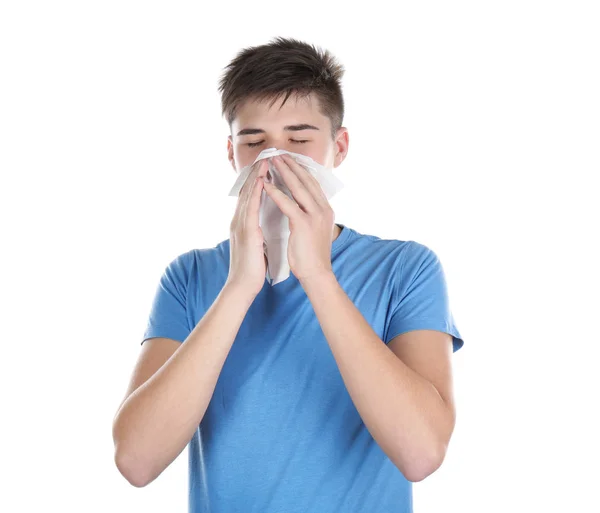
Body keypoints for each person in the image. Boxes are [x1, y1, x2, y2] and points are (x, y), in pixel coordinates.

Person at [112, 36, 465, 512]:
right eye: (254, 142)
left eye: (299, 140)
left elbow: (421, 454)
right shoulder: (190, 277)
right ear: (231, 152)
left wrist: (318, 274)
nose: (273, 160)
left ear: (338, 147)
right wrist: (239, 286)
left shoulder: (405, 269)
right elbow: (136, 461)